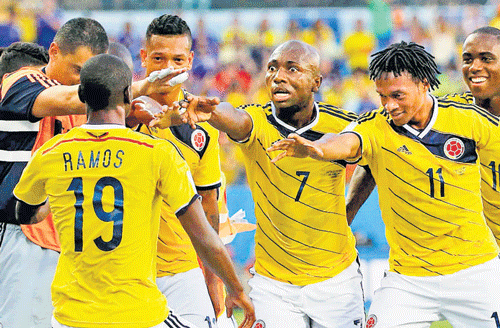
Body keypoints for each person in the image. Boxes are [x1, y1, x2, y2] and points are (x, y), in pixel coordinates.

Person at [267, 41, 500, 328]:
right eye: (382, 96)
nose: (389, 105)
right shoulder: (376, 127)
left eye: (397, 95)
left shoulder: (467, 119)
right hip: (409, 279)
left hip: (475, 270)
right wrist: (318, 148)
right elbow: (344, 140)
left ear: (424, 84)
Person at [12, 53, 255, 328]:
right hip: (138, 314)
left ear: (81, 95)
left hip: (70, 316)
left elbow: (26, 214)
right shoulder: (157, 153)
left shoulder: (51, 153)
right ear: (129, 95)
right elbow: (204, 237)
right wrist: (237, 289)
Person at [0, 17, 180, 328]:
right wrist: (134, 87)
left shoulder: (83, 110)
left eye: (90, 75)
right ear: (53, 52)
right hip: (21, 229)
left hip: (63, 239)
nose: (83, 82)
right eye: (78, 71)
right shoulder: (23, 80)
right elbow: (70, 99)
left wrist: (135, 117)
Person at [180, 40, 365, 328]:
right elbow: (236, 118)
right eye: (272, 68)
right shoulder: (257, 120)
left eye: (292, 69)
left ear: (316, 81)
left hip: (336, 280)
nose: (279, 76)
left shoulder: (342, 124)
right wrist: (212, 113)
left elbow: (374, 162)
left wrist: (349, 209)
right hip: (274, 284)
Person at [347, 26, 500, 244]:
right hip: (468, 258)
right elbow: (377, 147)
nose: (475, 67)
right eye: (467, 59)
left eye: (486, 59)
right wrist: (345, 216)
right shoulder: (449, 112)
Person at [137, 14, 230, 328]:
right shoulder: (118, 112)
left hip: (182, 269)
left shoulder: (201, 125)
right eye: (158, 59)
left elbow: (209, 206)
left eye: (177, 59)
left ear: (190, 60)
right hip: (128, 268)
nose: (168, 69)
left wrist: (214, 277)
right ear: (143, 57)